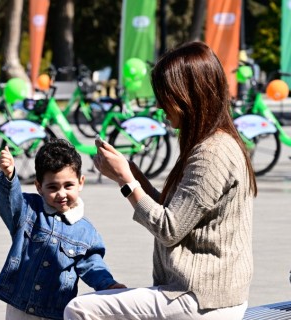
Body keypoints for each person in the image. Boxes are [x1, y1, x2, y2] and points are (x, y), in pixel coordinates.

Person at [64, 41, 257, 319]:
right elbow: (176, 212)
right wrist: (134, 174)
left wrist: (126, 181)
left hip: (200, 299)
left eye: (166, 96)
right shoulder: (214, 143)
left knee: (79, 309)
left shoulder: (212, 153)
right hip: (208, 295)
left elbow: (169, 228)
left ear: (189, 95)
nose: (160, 105)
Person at [0, 138, 126, 320]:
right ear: (39, 187)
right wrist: (9, 177)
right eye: (52, 187)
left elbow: (92, 264)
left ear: (81, 182)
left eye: (68, 185)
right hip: (19, 306)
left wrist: (108, 285)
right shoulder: (28, 210)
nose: (61, 194)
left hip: (55, 310)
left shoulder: (86, 232)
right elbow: (9, 203)